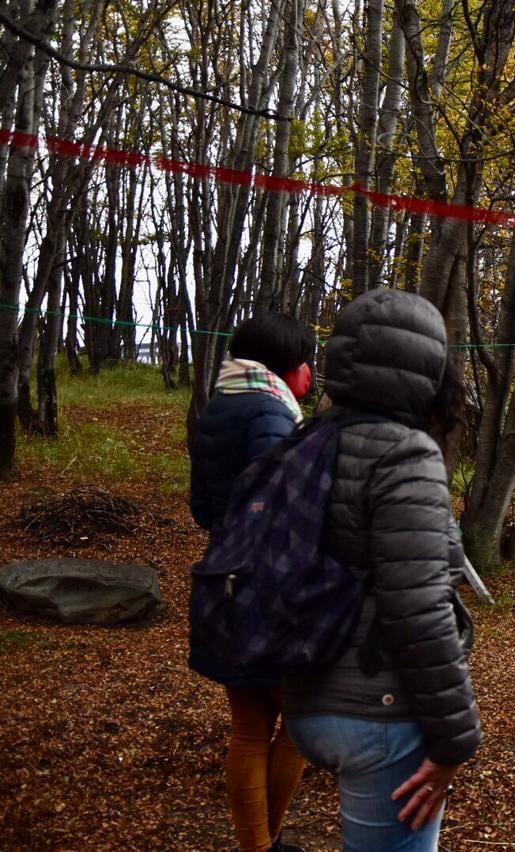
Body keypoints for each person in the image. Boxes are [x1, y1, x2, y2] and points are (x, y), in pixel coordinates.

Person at [281, 288, 482, 852]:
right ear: (428, 368)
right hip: (380, 711)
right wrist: (454, 740)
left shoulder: (305, 441)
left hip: (306, 701)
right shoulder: (406, 455)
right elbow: (417, 609)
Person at [189, 313, 315, 852]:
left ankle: (256, 846)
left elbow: (203, 506)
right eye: (307, 359)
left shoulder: (220, 403)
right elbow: (282, 506)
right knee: (301, 726)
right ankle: (268, 839)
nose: (312, 371)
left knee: (248, 730)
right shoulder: (270, 411)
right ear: (289, 363)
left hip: (224, 574)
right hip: (270, 587)